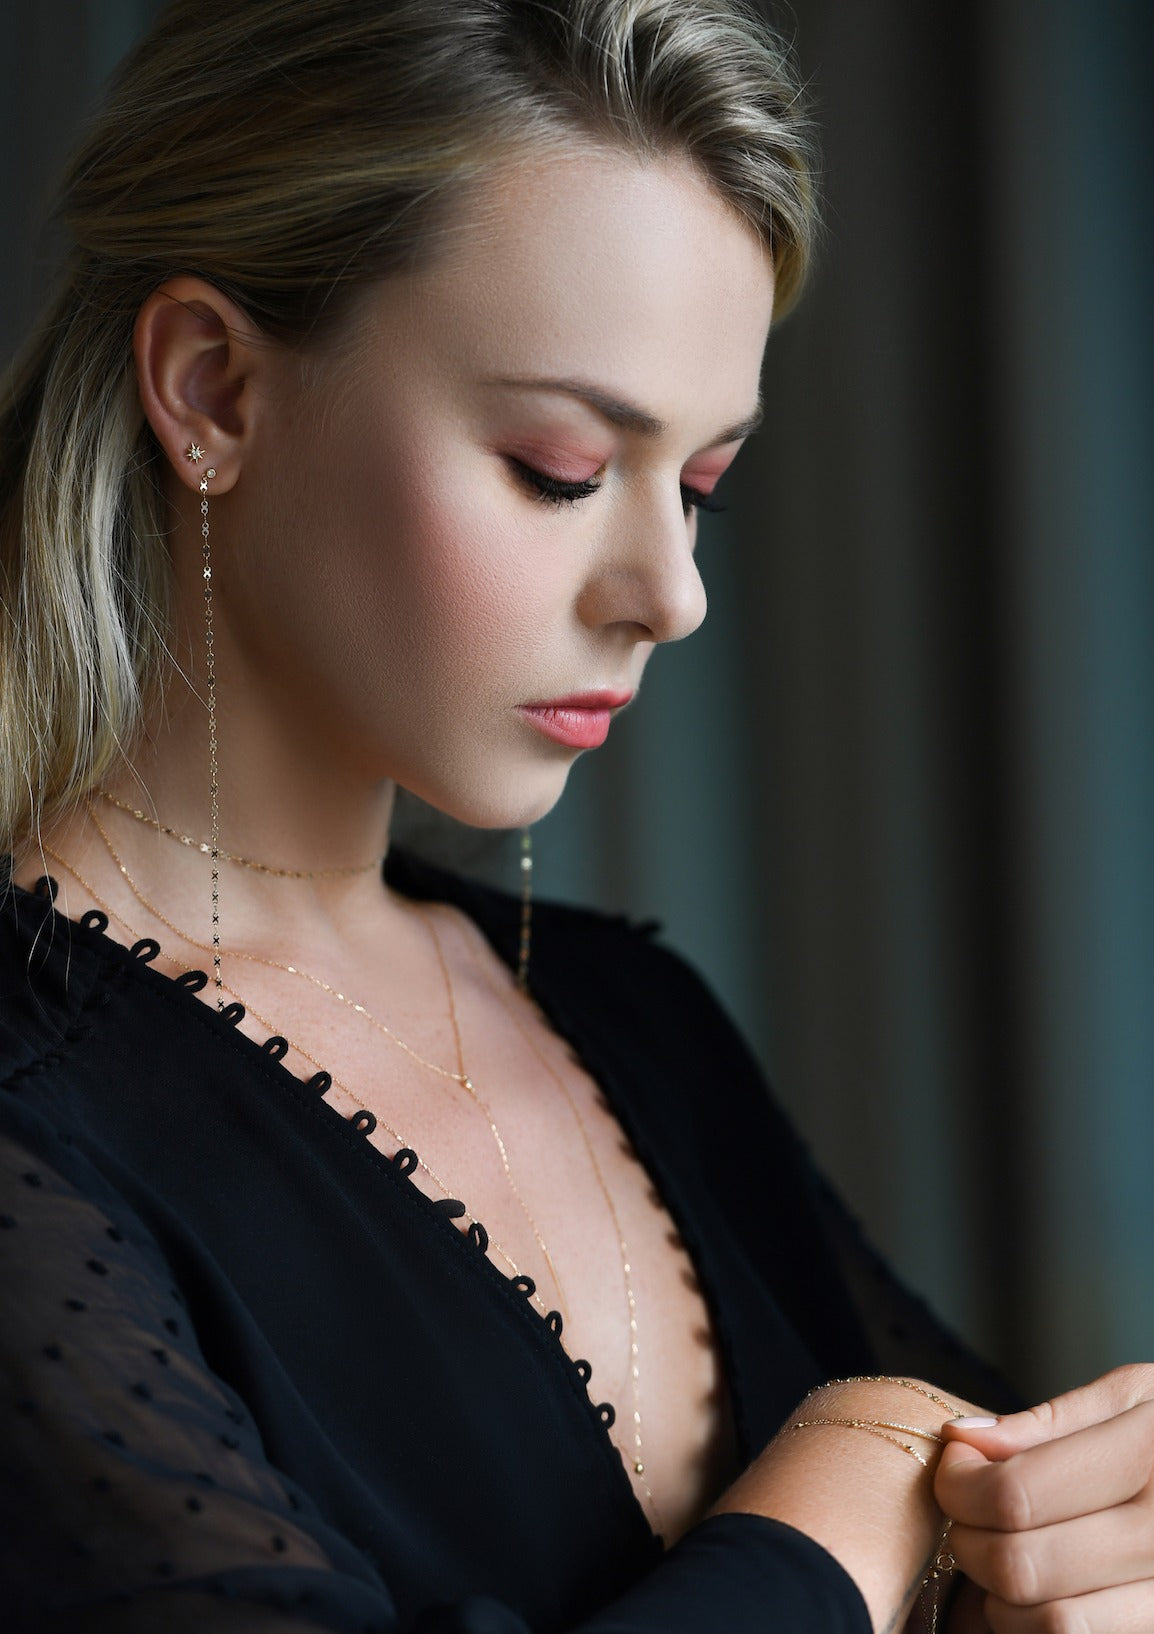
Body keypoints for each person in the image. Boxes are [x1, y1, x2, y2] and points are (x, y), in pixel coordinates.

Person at [2, 1, 1153, 1630]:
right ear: (216, 388)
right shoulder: (29, 1106)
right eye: (559, 466)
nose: (669, 594)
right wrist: (848, 1489)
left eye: (699, 488)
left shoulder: (641, 1021)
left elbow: (1032, 1543)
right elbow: (899, 1477)